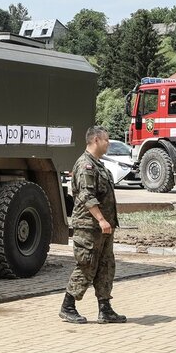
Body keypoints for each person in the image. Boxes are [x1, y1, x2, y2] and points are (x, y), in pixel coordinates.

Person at [59, 126, 126, 325]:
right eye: (106, 140)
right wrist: (101, 219)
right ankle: (68, 306)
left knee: (106, 266)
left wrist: (106, 222)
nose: (109, 143)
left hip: (102, 228)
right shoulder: (85, 165)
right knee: (87, 265)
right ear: (96, 140)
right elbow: (86, 195)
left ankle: (105, 309)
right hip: (89, 227)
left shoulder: (98, 165)